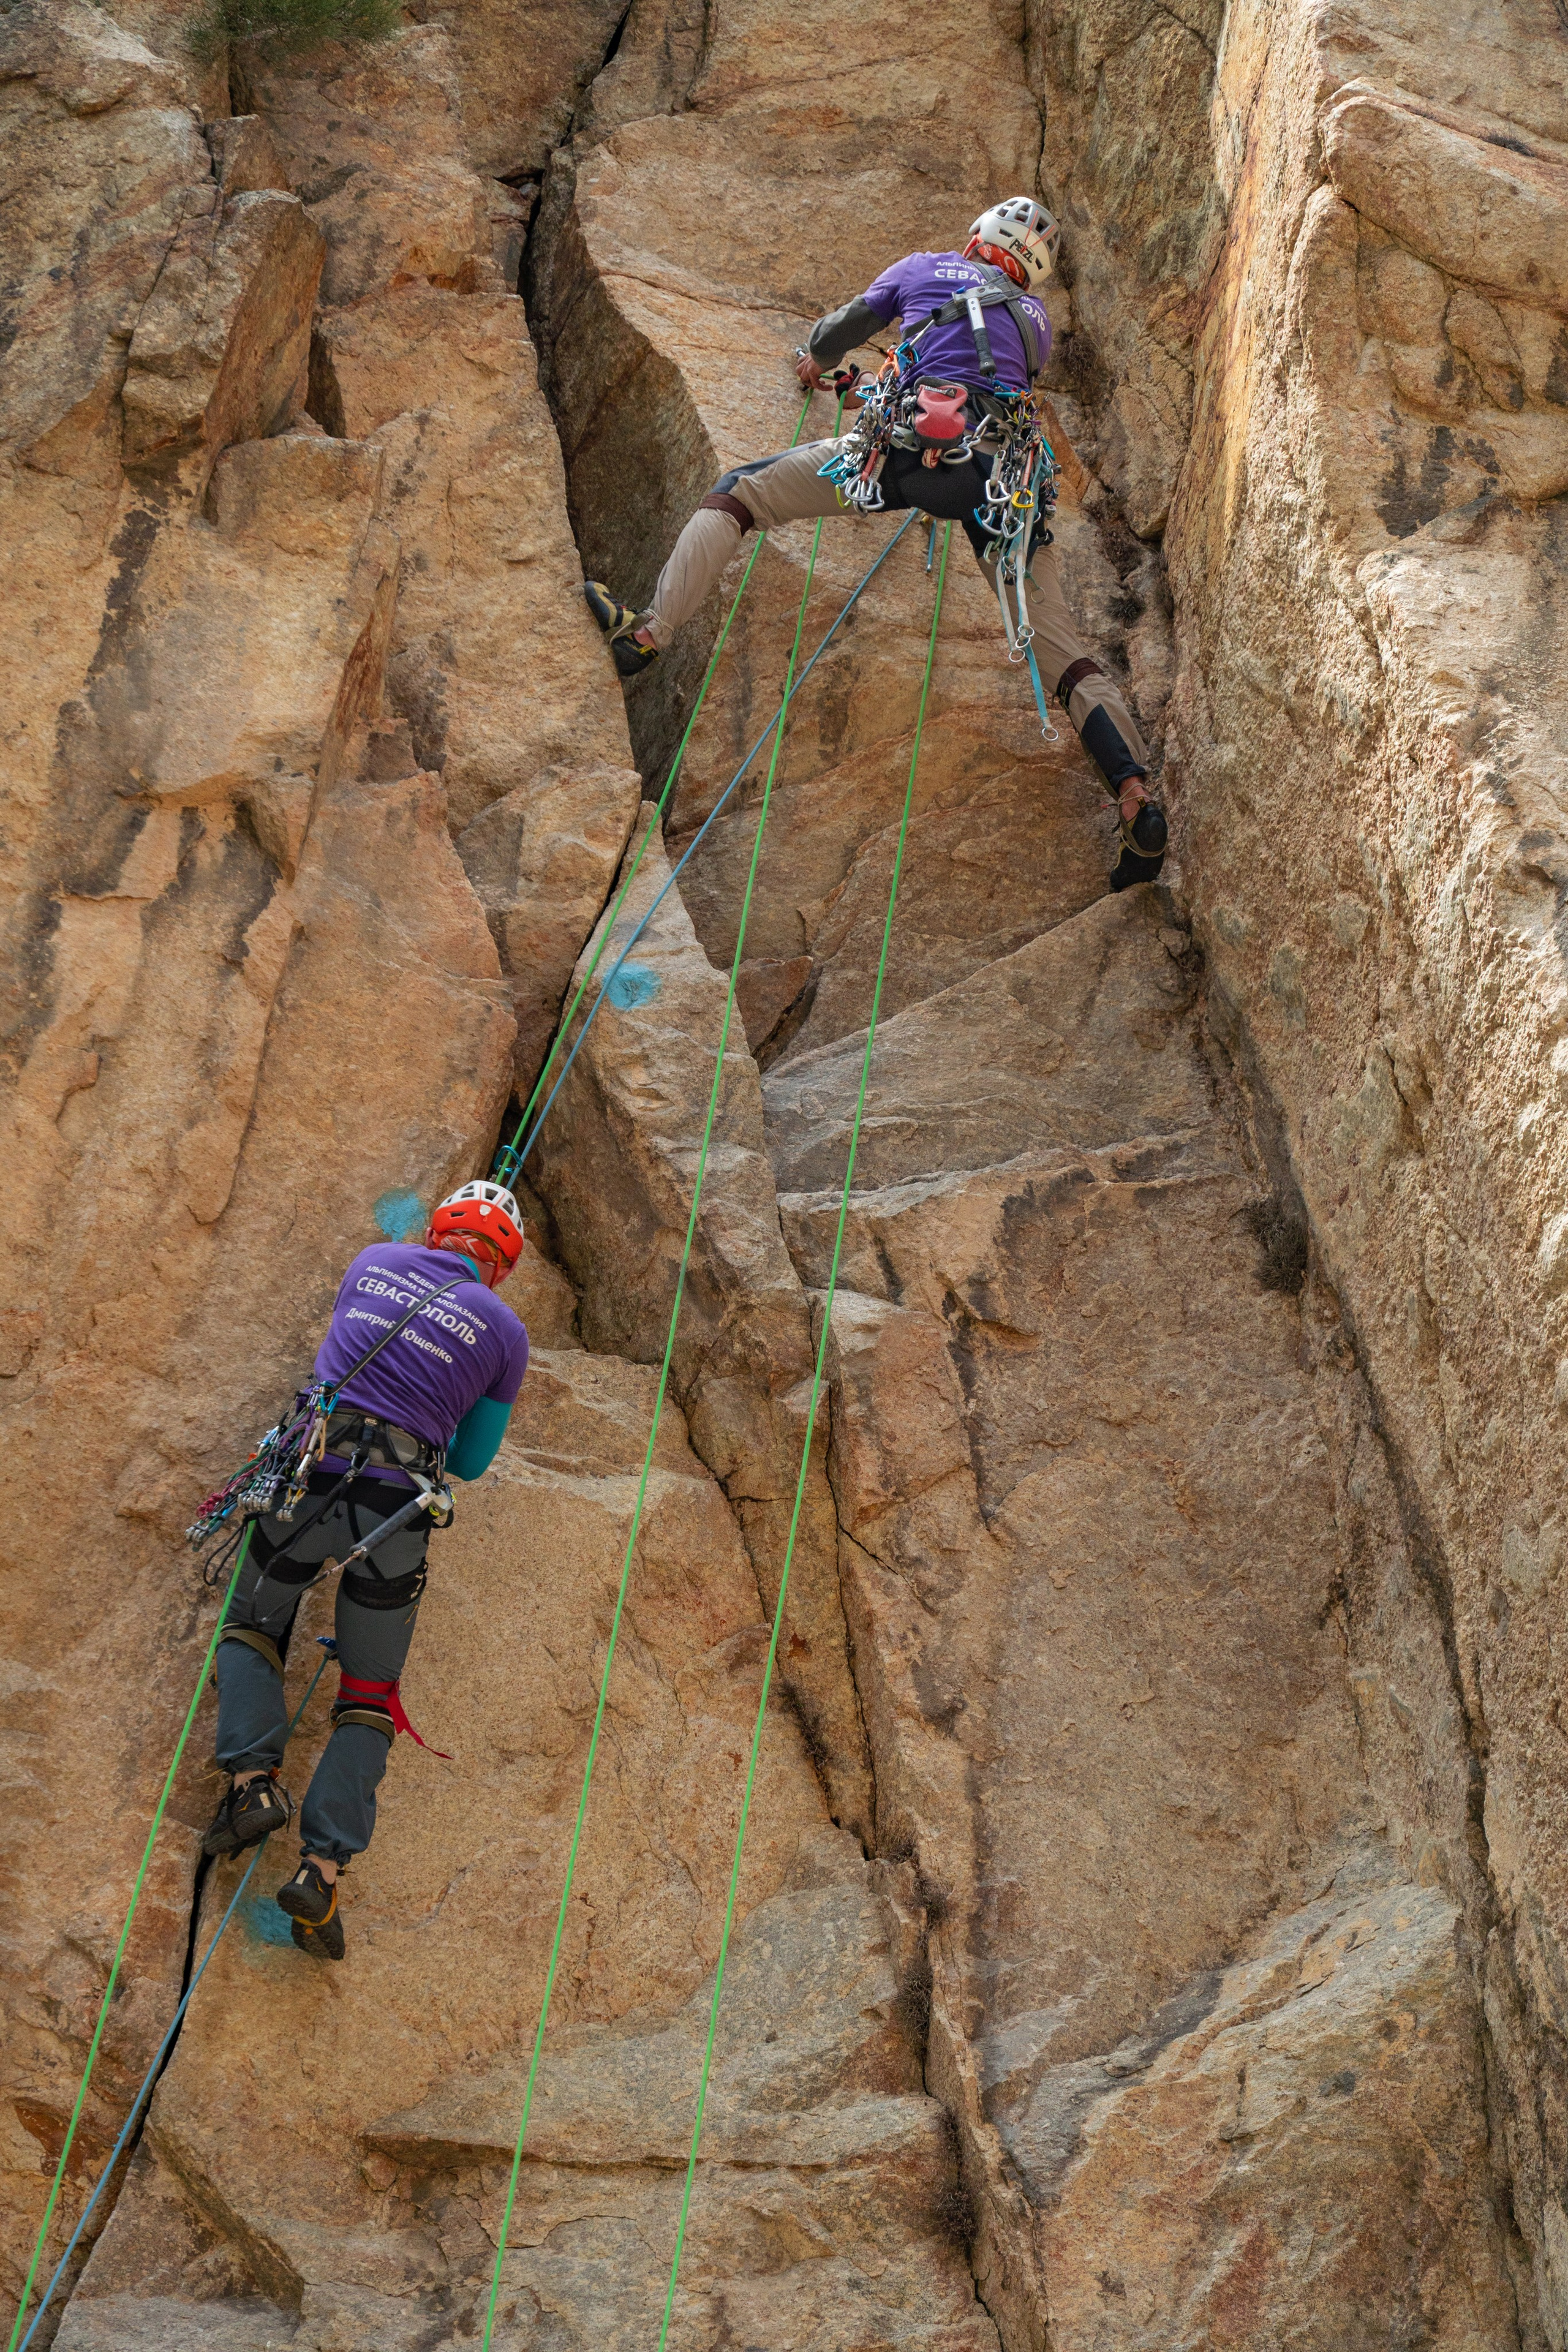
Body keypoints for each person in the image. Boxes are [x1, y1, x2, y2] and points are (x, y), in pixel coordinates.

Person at [584, 196, 1167, 891]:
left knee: (742, 492)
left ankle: (648, 632)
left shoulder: (924, 268)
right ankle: (1132, 794)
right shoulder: (1036, 322)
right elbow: (988, 380)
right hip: (997, 486)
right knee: (1062, 655)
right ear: (1031, 271)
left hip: (898, 455)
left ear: (977, 237)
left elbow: (839, 332)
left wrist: (816, 363)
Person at [200, 1182, 530, 1961]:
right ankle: (319, 1873)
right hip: (394, 1512)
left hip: (308, 1481)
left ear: (434, 1231)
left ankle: (251, 1787)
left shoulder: (375, 1260)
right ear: (504, 1267)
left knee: (253, 1621)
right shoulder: (506, 1331)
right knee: (369, 1694)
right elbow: (474, 1462)